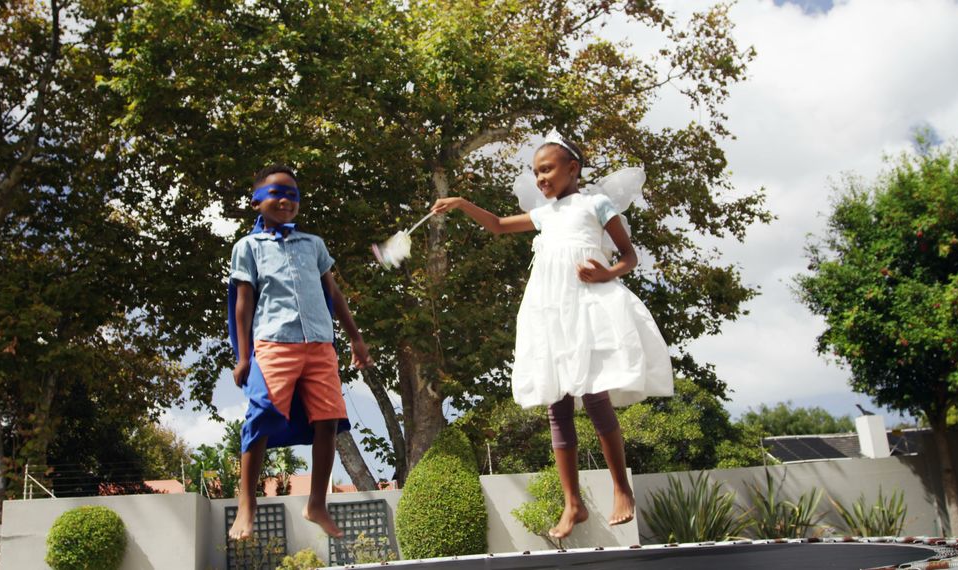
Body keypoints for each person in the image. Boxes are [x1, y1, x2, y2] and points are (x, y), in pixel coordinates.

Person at [431, 137, 673, 539]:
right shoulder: (544, 214)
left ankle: (620, 487)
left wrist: (607, 273)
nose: (540, 177)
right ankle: (572, 503)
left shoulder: (595, 206)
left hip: (587, 308)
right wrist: (460, 203)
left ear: (572, 169)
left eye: (547, 169)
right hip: (550, 312)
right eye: (536, 171)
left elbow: (629, 256)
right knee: (556, 405)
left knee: (595, 396)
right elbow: (496, 225)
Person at [226, 165, 373, 540]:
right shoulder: (248, 248)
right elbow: (243, 304)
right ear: (257, 201)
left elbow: (334, 294)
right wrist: (243, 356)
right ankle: (247, 502)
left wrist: (355, 337)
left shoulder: (314, 245)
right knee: (259, 416)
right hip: (275, 343)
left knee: (328, 420)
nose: (286, 201)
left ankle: (317, 503)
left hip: (321, 344)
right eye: (277, 193)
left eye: (293, 195)